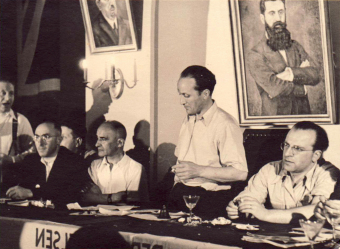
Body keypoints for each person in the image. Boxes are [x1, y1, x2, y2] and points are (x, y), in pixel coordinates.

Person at [169, 65, 248, 218]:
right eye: (180, 95)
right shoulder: (188, 119)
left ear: (205, 94)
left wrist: (198, 170)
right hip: (180, 195)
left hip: (208, 200)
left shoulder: (225, 124)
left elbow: (240, 173)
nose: (181, 101)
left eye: (186, 96)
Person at [226, 121, 339, 224]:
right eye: (286, 145)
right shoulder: (270, 169)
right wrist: (237, 206)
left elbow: (315, 210)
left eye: (298, 149)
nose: (287, 153)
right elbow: (249, 197)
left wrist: (265, 214)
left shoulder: (328, 173)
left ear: (316, 155)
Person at [247, 0, 319, 116]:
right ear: (262, 18)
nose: (278, 18)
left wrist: (290, 74)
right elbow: (274, 87)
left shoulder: (295, 46)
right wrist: (302, 87)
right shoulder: (255, 54)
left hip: (304, 117)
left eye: (281, 12)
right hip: (276, 121)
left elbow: (315, 74)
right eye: (272, 13)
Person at [5, 120, 87, 208]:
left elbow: (69, 194)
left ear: (59, 140)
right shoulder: (30, 160)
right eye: (37, 137)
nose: (40, 143)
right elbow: (23, 189)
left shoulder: (74, 161)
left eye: (46, 137)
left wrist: (31, 192)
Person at [82, 121, 148, 205]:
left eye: (103, 139)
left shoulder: (135, 168)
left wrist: (99, 197)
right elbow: (86, 197)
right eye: (97, 138)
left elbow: (130, 204)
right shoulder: (94, 165)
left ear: (119, 143)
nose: (96, 144)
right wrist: (114, 198)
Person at [0, 79, 34, 167]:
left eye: (11, 93)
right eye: (3, 93)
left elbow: (33, 151)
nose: (8, 98)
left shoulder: (20, 121)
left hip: (9, 176)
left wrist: (13, 159)